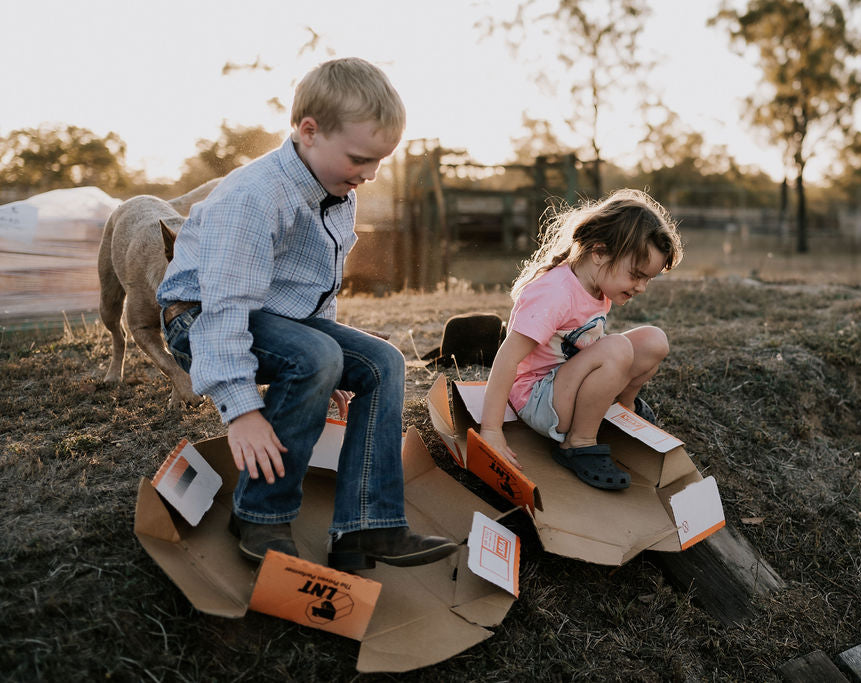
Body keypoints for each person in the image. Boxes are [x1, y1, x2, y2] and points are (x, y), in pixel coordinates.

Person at [156, 58, 456, 570]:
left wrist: (337, 362)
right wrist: (242, 410)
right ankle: (259, 513)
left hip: (278, 319)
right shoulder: (255, 197)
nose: (369, 174)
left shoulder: (337, 187)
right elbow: (225, 309)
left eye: (380, 162)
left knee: (384, 363)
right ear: (309, 132)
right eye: (360, 158)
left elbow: (317, 286)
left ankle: (366, 526)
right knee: (314, 354)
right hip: (202, 319)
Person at [480, 189, 683, 490]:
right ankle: (578, 443)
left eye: (647, 279)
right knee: (616, 348)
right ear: (599, 252)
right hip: (539, 399)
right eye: (636, 275)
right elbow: (507, 358)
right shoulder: (555, 292)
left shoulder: (599, 283)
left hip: (568, 384)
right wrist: (491, 430)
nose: (641, 287)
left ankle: (621, 413)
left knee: (655, 340)